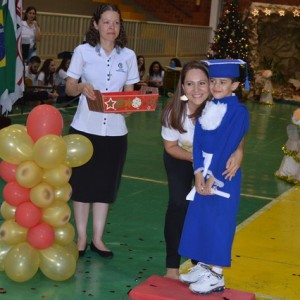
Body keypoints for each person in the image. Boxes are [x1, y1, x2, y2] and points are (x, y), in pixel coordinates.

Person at [65, 4, 139, 258]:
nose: (111, 27)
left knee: (106, 188)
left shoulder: (128, 56)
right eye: (106, 22)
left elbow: (129, 96)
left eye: (116, 23)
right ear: (95, 25)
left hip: (116, 133)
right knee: (82, 186)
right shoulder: (82, 51)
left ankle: (98, 238)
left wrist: (130, 109)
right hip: (84, 129)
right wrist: (81, 86)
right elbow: (69, 87)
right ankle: (81, 238)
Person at [161, 60, 244, 280]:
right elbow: (170, 147)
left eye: (202, 83)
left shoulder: (220, 105)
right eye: (190, 84)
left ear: (211, 83)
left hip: (211, 162)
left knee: (204, 206)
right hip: (180, 156)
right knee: (179, 204)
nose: (196, 90)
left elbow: (237, 133)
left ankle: (201, 263)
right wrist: (199, 163)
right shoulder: (174, 111)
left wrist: (239, 152)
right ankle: (171, 267)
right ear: (183, 87)